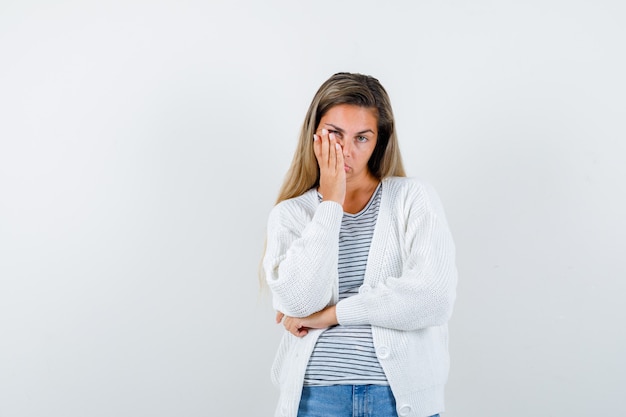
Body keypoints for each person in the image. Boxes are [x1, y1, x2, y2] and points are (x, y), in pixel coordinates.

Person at [261, 72, 457, 417]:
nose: (346, 151)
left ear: (379, 141)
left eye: (362, 138)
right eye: (335, 134)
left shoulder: (412, 198)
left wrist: (331, 315)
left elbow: (433, 297)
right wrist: (331, 202)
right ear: (314, 134)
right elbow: (298, 300)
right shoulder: (290, 214)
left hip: (397, 401)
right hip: (315, 400)